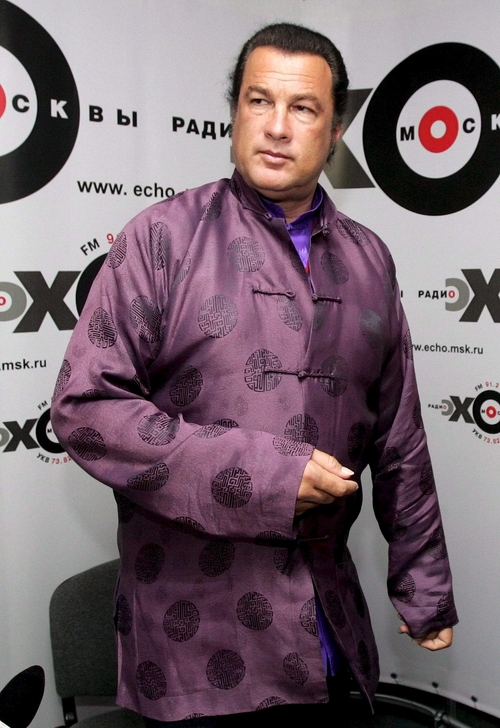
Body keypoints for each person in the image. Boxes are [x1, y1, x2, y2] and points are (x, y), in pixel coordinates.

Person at [51, 22, 457, 727]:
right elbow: (86, 408)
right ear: (234, 112)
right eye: (258, 100)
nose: (275, 126)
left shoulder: (369, 259)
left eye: (303, 108)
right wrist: (265, 474)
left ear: (335, 132)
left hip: (329, 633)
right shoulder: (161, 239)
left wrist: (423, 586)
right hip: (195, 644)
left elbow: (399, 439)